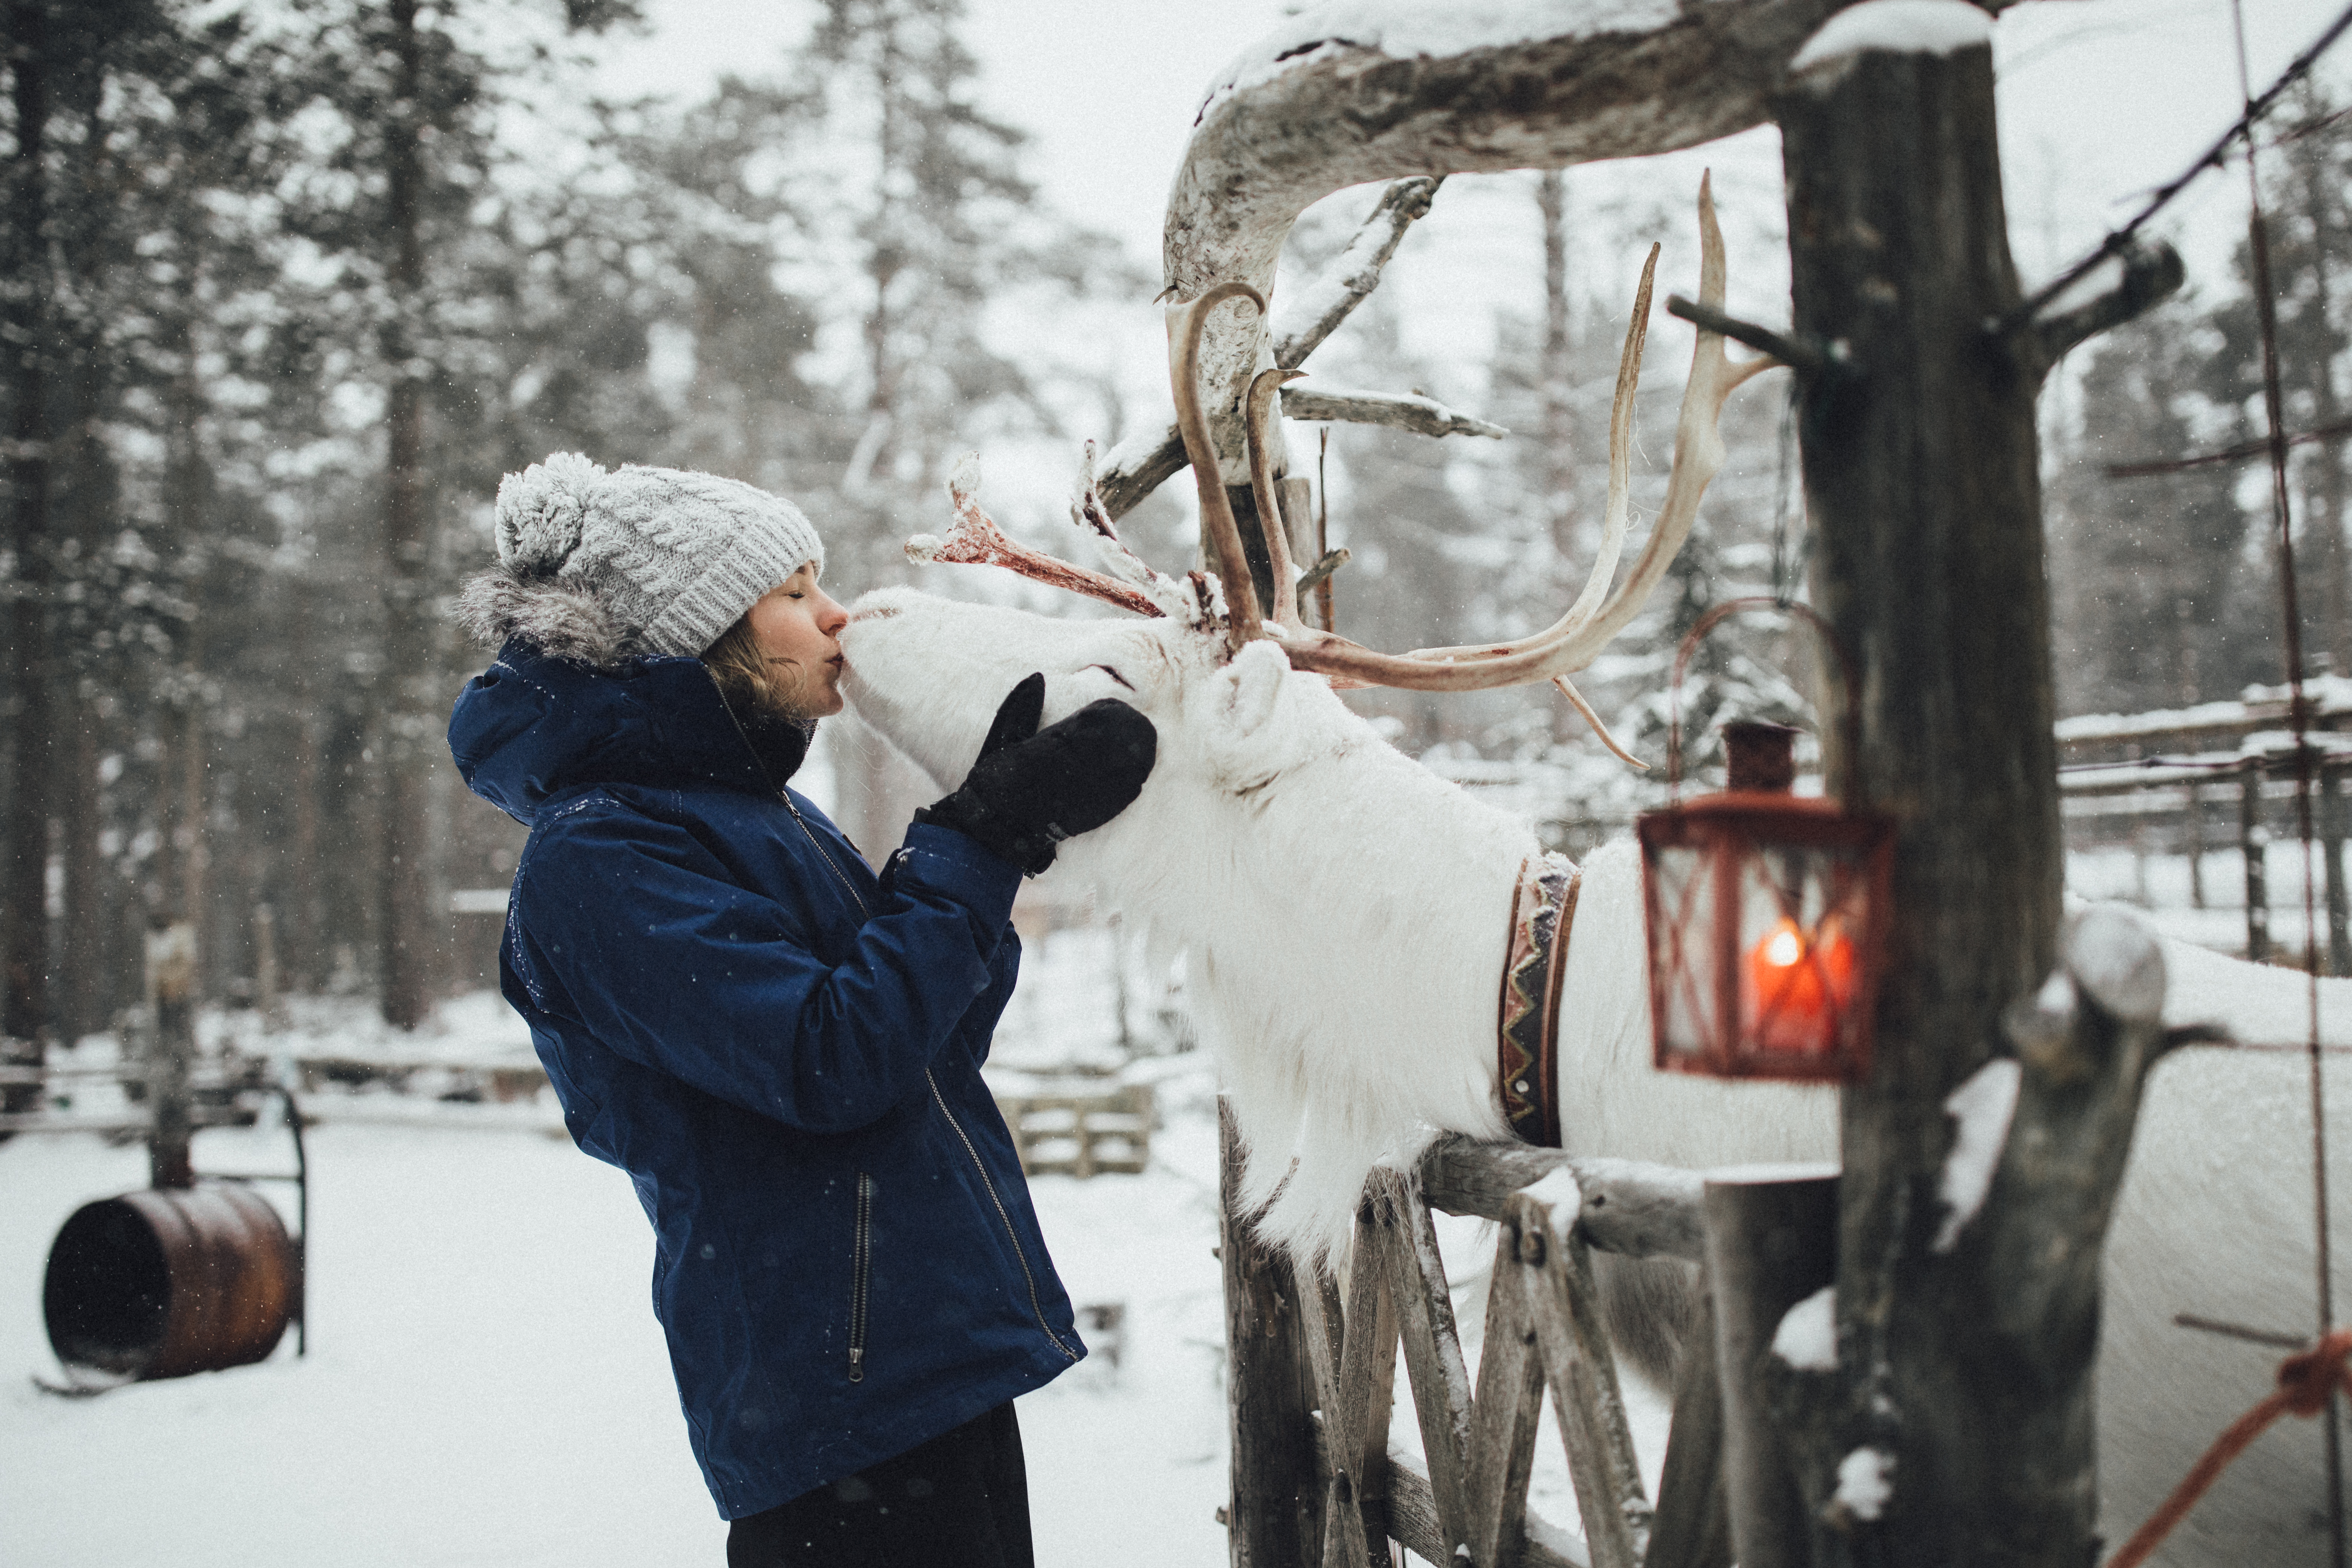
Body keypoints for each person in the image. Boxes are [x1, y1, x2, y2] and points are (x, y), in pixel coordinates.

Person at [446, 453, 1157, 1568]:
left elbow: (927, 1047)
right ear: (701, 633)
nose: (838, 617)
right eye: (795, 592)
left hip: (923, 1367)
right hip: (835, 1408)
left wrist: (1000, 838)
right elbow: (834, 1060)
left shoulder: (752, 818)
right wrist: (969, 842)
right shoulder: (604, 855)